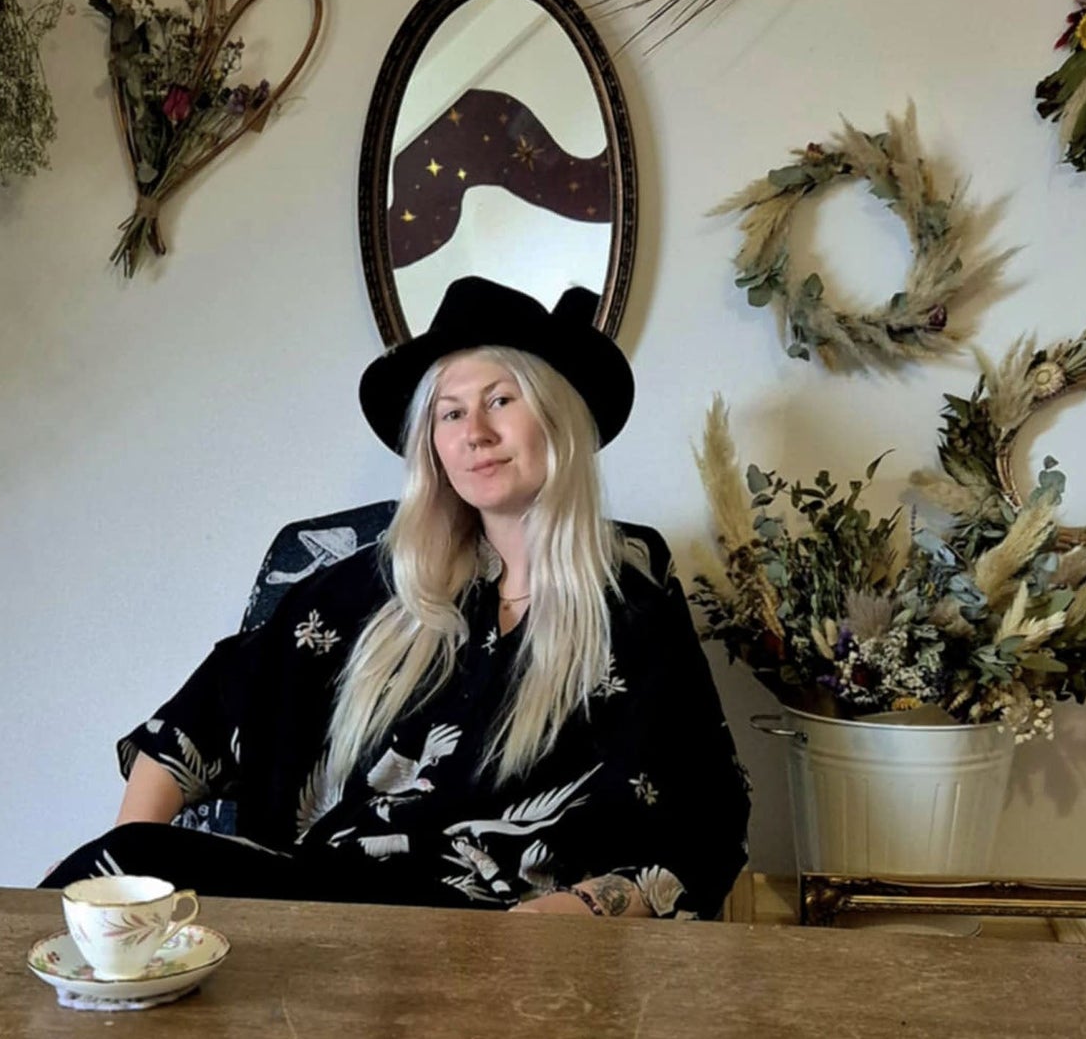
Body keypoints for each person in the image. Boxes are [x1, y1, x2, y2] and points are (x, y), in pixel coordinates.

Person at [42, 277, 750, 918]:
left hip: (507, 946)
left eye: (500, 401)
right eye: (449, 414)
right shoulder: (380, 589)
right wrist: (125, 896)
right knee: (128, 862)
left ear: (557, 416)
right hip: (330, 912)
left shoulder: (634, 615)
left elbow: (709, 824)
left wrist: (582, 912)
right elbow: (203, 712)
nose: (475, 434)